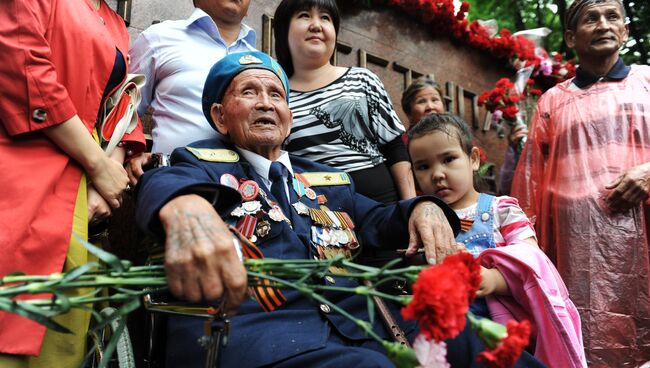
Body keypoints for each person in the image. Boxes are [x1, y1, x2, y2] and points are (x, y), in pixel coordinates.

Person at [134, 50, 523, 368]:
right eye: (249, 93)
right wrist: (187, 210)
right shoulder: (200, 163)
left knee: (474, 342)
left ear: (288, 118)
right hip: (262, 340)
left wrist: (423, 208)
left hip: (366, 328)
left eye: (276, 95)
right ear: (220, 116)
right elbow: (162, 182)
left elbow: (378, 219)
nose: (266, 103)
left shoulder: (327, 179)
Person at [0, 0, 145, 366]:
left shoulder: (115, 23)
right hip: (22, 172)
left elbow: (120, 107)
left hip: (81, 186)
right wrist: (97, 165)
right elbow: (24, 68)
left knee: (67, 334)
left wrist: (107, 174)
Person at [511, 0, 650, 365]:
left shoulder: (648, 82)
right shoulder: (552, 102)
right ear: (571, 37)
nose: (603, 24)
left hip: (645, 243)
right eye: (591, 18)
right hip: (575, 250)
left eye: (612, 17)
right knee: (582, 338)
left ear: (625, 31)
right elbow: (530, 186)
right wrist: (526, 254)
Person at [408, 113, 586, 367]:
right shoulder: (421, 218)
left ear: (473, 159)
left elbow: (532, 260)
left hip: (500, 324)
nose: (437, 174)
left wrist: (493, 279)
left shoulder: (501, 210)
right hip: (446, 331)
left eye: (448, 159)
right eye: (423, 166)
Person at [274, 0, 416, 204]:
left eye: (325, 17)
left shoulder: (363, 79)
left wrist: (410, 207)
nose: (316, 25)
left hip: (383, 206)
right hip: (317, 213)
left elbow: (394, 149)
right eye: (304, 15)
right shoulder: (278, 96)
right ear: (283, 29)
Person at [126, 0, 255, 183]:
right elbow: (123, 111)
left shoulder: (261, 62)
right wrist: (130, 156)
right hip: (174, 183)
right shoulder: (159, 38)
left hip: (249, 192)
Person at [400, 74, 446, 144]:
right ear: (409, 113)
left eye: (435, 100)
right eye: (421, 101)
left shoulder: (458, 137)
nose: (430, 107)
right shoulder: (401, 146)